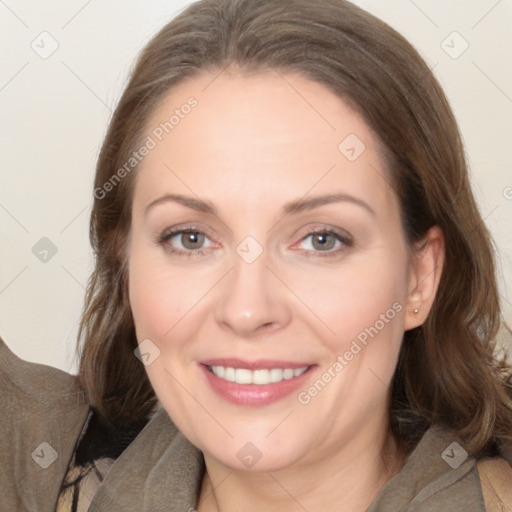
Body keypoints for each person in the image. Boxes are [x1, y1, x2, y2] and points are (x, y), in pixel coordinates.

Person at [1, 0, 512, 510]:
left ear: (419, 279)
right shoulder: (41, 464)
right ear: (125, 261)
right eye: (190, 238)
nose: (247, 310)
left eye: (321, 239)